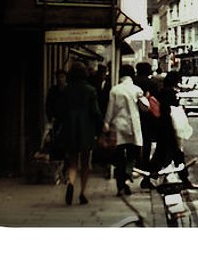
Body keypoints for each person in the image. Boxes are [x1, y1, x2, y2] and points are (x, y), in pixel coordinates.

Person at [55, 62, 103, 205]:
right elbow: (95, 112)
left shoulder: (66, 91)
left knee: (72, 161)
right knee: (85, 162)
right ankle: (82, 192)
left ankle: (70, 183)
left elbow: (61, 112)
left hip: (70, 128)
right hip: (86, 128)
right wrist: (102, 126)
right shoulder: (90, 90)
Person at [143, 71, 198, 190]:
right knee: (176, 155)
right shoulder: (169, 93)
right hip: (168, 129)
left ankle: (147, 179)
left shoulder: (163, 91)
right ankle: (185, 181)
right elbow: (169, 112)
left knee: (162, 156)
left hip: (163, 129)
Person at [104, 64, 146, 196]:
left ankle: (120, 186)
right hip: (133, 127)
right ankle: (128, 178)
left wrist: (106, 123)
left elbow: (110, 109)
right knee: (132, 156)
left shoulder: (115, 90)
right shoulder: (137, 90)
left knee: (119, 158)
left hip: (118, 128)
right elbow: (145, 107)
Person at [133, 62, 156, 175]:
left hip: (134, 115)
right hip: (148, 116)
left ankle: (136, 162)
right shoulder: (151, 83)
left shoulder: (133, 81)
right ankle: (145, 163)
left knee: (136, 140)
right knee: (147, 141)